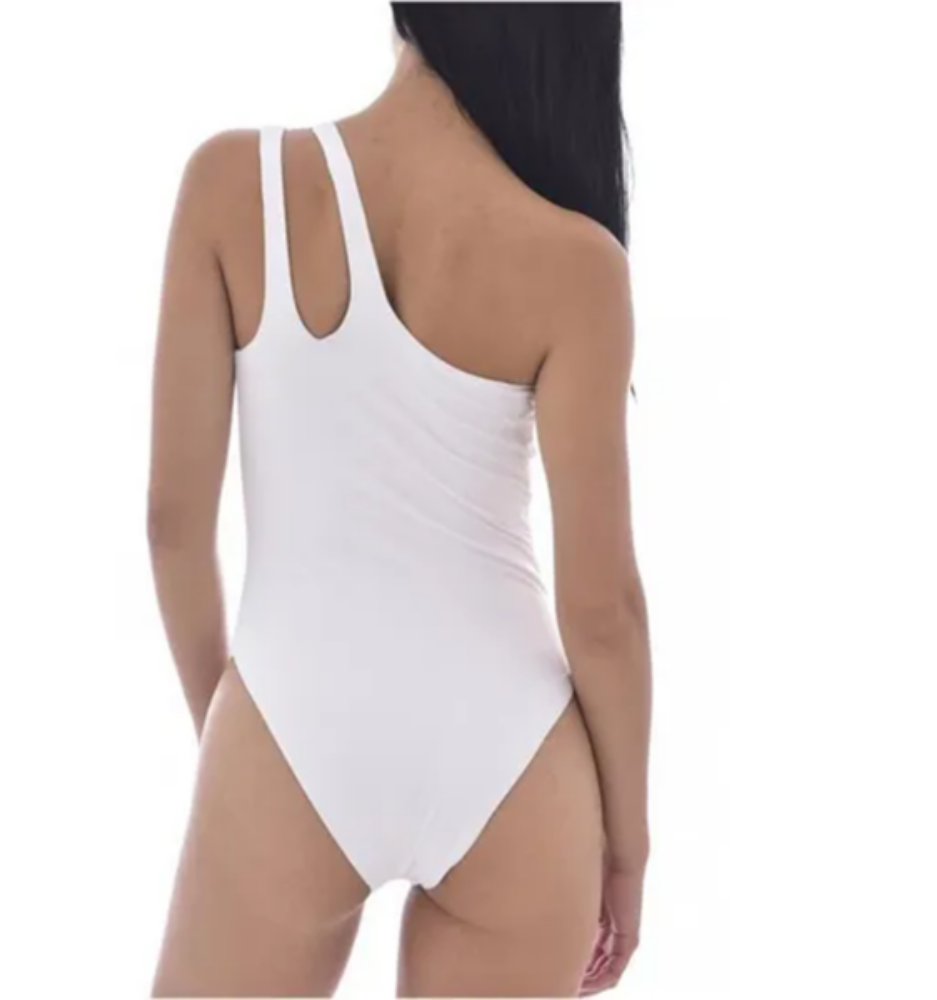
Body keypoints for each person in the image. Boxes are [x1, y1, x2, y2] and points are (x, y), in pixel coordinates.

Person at [146, 4, 651, 996]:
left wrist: (250, 749)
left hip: (295, 715)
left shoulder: (234, 185)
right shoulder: (580, 263)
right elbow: (604, 612)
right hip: (514, 761)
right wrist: (627, 850)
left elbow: (172, 524)